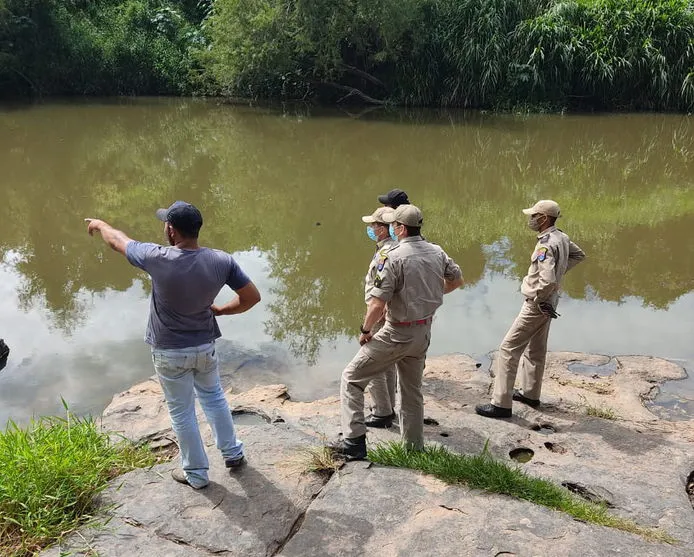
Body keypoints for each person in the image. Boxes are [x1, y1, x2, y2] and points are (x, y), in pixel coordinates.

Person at [85, 201, 261, 489]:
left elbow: (118, 241)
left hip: (169, 352)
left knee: (181, 411)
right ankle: (233, 454)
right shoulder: (221, 260)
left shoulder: (157, 257)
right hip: (204, 346)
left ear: (170, 230)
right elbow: (251, 297)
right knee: (214, 398)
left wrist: (100, 225)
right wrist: (221, 310)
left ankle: (196, 474)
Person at [337, 205, 463, 459]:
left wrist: (365, 330)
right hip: (423, 332)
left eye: (394, 225)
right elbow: (457, 280)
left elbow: (377, 303)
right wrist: (435, 293)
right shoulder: (436, 251)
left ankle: (354, 443)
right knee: (412, 391)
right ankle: (413, 449)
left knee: (351, 378)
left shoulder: (392, 257)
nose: (391, 229)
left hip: (396, 333)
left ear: (401, 228)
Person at [475, 200, 586, 419]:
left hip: (537, 304)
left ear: (544, 218)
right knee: (536, 349)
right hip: (551, 303)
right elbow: (578, 255)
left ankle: (501, 404)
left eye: (534, 215)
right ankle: (530, 394)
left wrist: (538, 296)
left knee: (508, 349)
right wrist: (558, 275)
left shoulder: (545, 244)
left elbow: (546, 279)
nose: (531, 219)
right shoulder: (561, 237)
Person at [361, 207, 398, 428]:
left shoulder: (386, 254)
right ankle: (388, 406)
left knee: (372, 362)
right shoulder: (396, 248)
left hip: (380, 314)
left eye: (374, 225)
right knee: (388, 363)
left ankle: (382, 411)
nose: (371, 229)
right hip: (392, 315)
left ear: (384, 229)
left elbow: (379, 295)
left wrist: (367, 327)